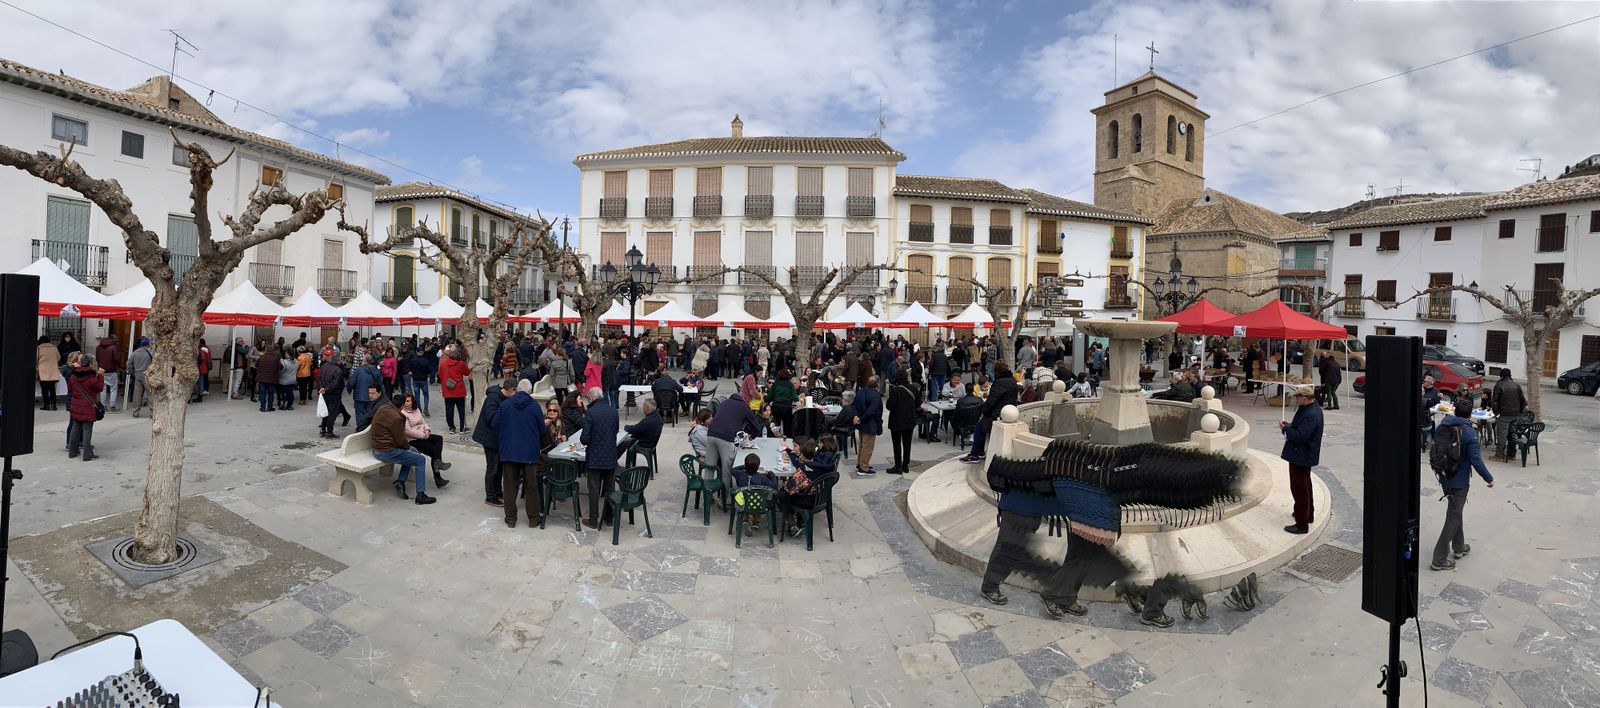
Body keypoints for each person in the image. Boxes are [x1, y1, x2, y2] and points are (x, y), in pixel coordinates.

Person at [1429, 402, 1494, 570]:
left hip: (1444, 476)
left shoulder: (1442, 426)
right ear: (1469, 415)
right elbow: (1476, 460)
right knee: (1454, 516)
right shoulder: (1469, 432)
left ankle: (1459, 547)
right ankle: (1439, 559)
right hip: (1459, 481)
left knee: (1455, 511)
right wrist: (1489, 478)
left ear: (1455, 411)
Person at [495, 378, 548, 528]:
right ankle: (533, 519)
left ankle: (511, 518)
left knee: (510, 485)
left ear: (517, 389)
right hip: (529, 452)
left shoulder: (505, 405)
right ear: (530, 391)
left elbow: (495, 424)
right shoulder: (535, 407)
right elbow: (542, 430)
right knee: (531, 486)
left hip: (509, 450)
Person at [370, 393, 436, 505]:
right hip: (385, 452)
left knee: (413, 453)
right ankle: (420, 495)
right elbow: (400, 440)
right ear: (401, 407)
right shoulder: (397, 418)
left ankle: (400, 482)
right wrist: (407, 447)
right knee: (420, 459)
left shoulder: (383, 407)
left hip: (377, 448)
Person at [1279, 385, 1323, 535]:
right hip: (1303, 455)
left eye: (1297, 397)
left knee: (1299, 488)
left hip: (1302, 455)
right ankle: (1307, 514)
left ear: (1304, 398)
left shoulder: (1311, 413)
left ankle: (1301, 524)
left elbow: (1300, 436)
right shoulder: (1310, 409)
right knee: (1305, 485)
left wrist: (1285, 429)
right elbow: (1301, 428)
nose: (1296, 399)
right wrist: (1290, 425)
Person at [579, 387, 620, 529]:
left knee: (594, 490)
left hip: (595, 458)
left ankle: (593, 519)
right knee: (610, 489)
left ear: (591, 398)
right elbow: (615, 430)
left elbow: (584, 439)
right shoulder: (613, 411)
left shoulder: (590, 413)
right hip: (610, 456)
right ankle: (609, 517)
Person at [962, 363, 1017, 464]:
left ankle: (975, 455)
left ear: (997, 371)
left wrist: (983, 411)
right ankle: (979, 452)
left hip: (997, 414)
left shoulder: (999, 382)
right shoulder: (1012, 380)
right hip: (1008, 412)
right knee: (981, 428)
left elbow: (991, 401)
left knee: (979, 428)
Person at [474, 379, 516, 508]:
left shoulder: (504, 398)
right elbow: (492, 418)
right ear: (510, 390)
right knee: (492, 467)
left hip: (498, 438)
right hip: (489, 438)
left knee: (499, 466)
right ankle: (490, 496)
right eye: (515, 391)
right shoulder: (493, 398)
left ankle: (497, 491)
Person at [400, 392, 452, 488]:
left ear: (412, 401)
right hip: (412, 439)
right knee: (433, 452)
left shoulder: (416, 410)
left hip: (423, 433)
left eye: (408, 401)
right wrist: (423, 436)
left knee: (438, 439)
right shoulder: (402, 413)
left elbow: (423, 422)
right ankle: (438, 476)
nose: (406, 403)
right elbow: (407, 431)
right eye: (405, 401)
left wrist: (427, 430)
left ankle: (438, 463)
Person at [66, 354, 104, 460]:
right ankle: (87, 455)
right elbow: (99, 388)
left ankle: (72, 452)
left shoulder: (73, 375)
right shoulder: (92, 377)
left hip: (76, 406)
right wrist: (100, 376)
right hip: (88, 407)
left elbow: (70, 389)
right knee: (87, 430)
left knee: (75, 428)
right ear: (91, 364)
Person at [1488, 368, 1526, 461]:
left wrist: (1497, 413)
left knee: (1502, 435)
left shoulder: (1499, 385)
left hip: (1504, 415)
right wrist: (1519, 412)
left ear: (1501, 375)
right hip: (1515, 415)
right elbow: (1523, 401)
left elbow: (1495, 401)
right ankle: (1511, 454)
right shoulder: (1517, 385)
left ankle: (1499, 455)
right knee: (1512, 435)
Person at [886, 370, 920, 475]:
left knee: (897, 443)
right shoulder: (913, 388)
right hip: (910, 420)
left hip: (897, 421)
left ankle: (898, 466)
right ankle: (905, 464)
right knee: (907, 443)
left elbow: (889, 406)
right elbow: (918, 402)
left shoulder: (895, 390)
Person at [851, 375, 884, 476]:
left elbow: (854, 405)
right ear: (877, 385)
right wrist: (860, 419)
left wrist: (856, 416)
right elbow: (871, 411)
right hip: (870, 424)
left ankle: (860, 464)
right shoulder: (876, 396)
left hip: (861, 423)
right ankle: (863, 468)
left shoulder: (860, 392)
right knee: (867, 447)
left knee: (862, 444)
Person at [623, 398, 665, 468]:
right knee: (627, 440)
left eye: (643, 406)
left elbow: (636, 428)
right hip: (651, 442)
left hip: (644, 443)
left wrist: (626, 427)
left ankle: (620, 464)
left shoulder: (647, 421)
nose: (642, 408)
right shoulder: (657, 416)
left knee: (622, 443)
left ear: (647, 408)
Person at [347, 353, 383, 430]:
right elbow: (380, 383)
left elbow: (352, 382)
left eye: (362, 360)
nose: (361, 362)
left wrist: (349, 389)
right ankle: (368, 430)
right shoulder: (375, 371)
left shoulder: (359, 370)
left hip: (359, 396)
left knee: (359, 414)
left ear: (366, 362)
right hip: (372, 397)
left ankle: (360, 430)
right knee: (370, 414)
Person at [440, 349, 472, 433]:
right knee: (461, 410)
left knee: (449, 410)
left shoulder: (443, 363)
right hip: (459, 390)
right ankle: (462, 428)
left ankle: (452, 427)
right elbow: (467, 373)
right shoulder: (461, 363)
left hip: (447, 390)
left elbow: (440, 374)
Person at [316, 354, 348, 438]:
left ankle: (323, 429)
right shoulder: (338, 370)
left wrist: (322, 388)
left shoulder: (323, 367)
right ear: (337, 360)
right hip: (334, 394)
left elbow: (319, 378)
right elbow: (336, 384)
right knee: (332, 413)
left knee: (325, 412)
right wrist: (325, 389)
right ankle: (329, 431)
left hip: (325, 393)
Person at [36, 335, 61, 411]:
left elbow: (36, 359)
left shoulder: (39, 348)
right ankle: (53, 405)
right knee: (52, 389)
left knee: (44, 389)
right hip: (52, 370)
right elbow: (59, 358)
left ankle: (46, 405)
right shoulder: (54, 347)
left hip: (43, 371)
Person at [254, 344, 281, 412]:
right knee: (271, 393)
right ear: (273, 351)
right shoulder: (275, 358)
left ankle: (263, 407)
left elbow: (256, 365)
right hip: (272, 378)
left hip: (262, 378)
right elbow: (281, 367)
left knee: (262, 393)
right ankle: (269, 407)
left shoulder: (261, 357)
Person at [407, 347, 432, 417]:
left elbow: (410, 370)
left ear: (416, 352)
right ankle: (426, 408)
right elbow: (429, 370)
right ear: (422, 352)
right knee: (426, 395)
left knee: (417, 396)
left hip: (415, 380)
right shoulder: (426, 361)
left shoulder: (412, 361)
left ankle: (419, 410)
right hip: (423, 380)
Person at [277, 347, 298, 411]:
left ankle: (283, 405)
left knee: (283, 393)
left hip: (284, 380)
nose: (285, 355)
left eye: (286, 354)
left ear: (289, 355)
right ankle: (289, 405)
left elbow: (281, 370)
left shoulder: (284, 362)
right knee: (290, 392)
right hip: (292, 379)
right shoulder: (296, 361)